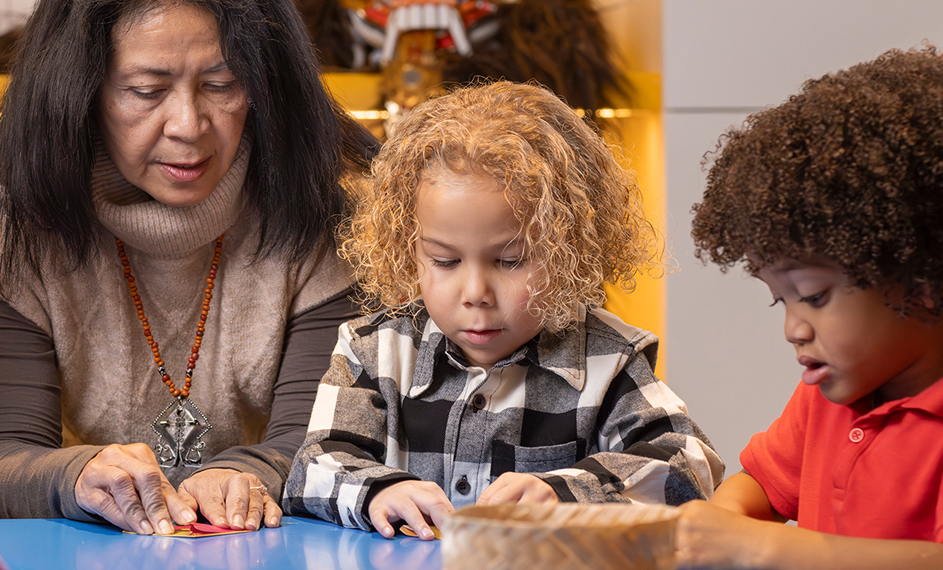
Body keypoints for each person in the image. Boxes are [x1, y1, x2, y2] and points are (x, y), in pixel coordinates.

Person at [0, 0, 375, 537]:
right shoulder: (18, 218)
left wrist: (246, 472)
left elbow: (320, 443)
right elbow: (9, 453)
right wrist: (73, 475)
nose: (188, 126)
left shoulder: (330, 205)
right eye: (146, 91)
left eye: (222, 84)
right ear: (82, 88)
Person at [282, 81, 724, 541]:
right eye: (445, 261)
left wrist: (564, 493)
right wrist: (377, 491)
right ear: (406, 248)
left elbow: (691, 462)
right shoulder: (373, 351)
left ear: (568, 250)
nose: (475, 293)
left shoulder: (608, 361)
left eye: (510, 261)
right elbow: (311, 467)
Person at [674, 48, 943, 569]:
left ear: (924, 279)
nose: (793, 328)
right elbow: (761, 484)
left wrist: (758, 547)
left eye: (814, 297)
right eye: (782, 299)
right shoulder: (826, 396)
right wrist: (723, 520)